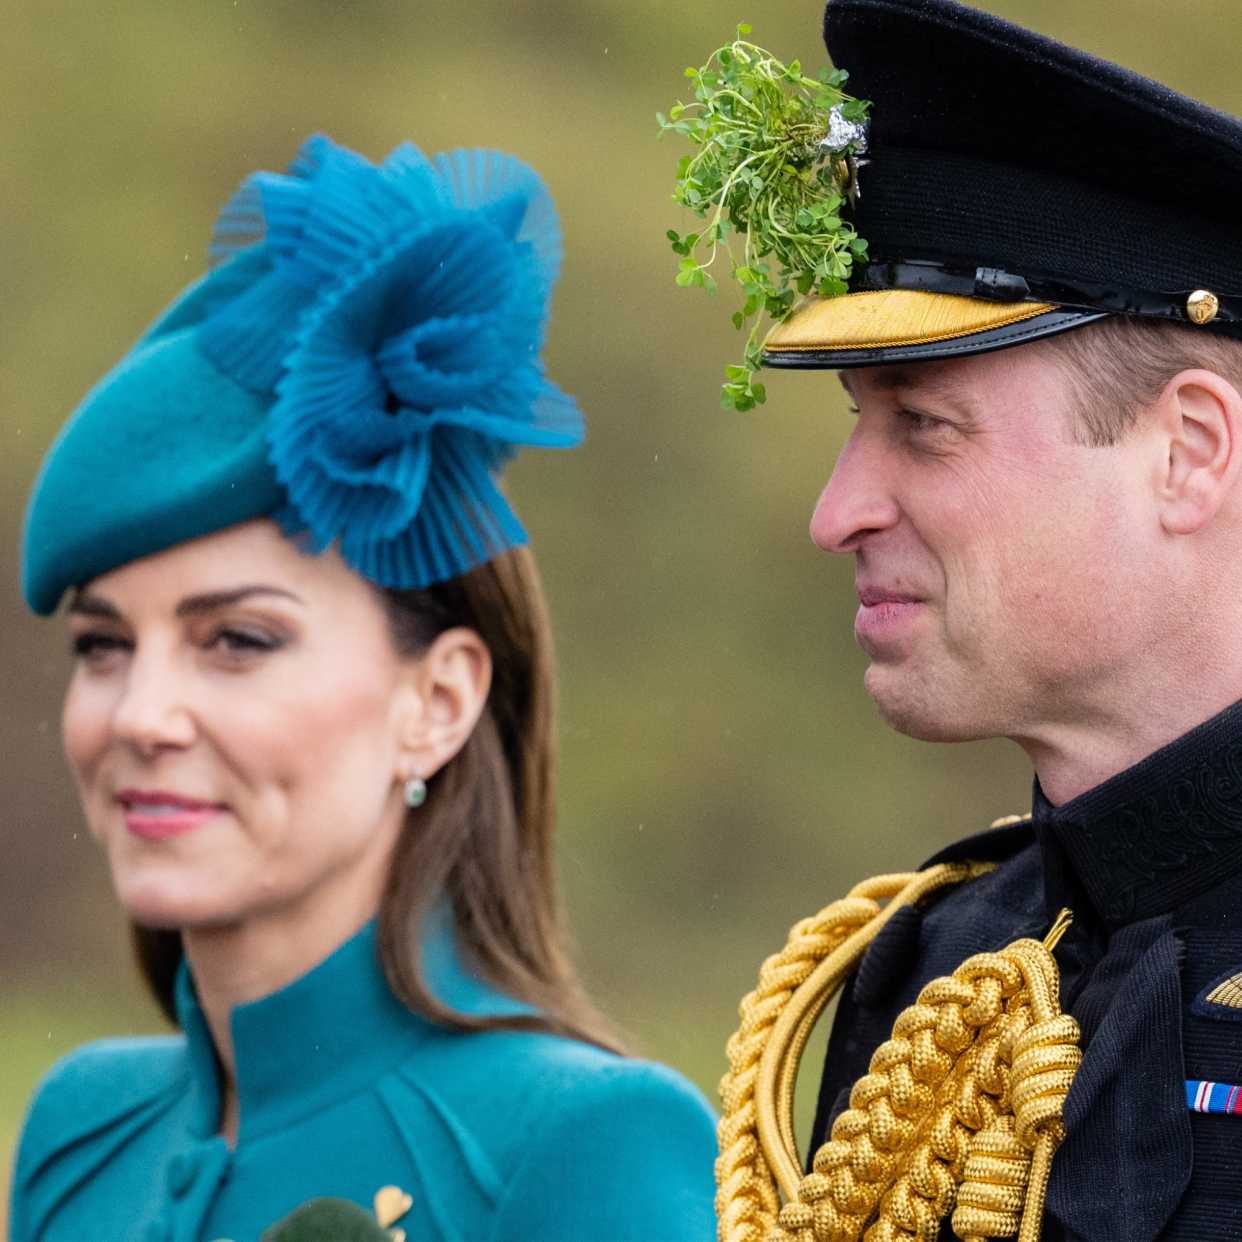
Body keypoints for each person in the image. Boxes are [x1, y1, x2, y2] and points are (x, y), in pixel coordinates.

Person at [8, 134, 718, 1242]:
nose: (140, 716)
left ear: (436, 703)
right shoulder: (81, 1132)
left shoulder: (579, 1147)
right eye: (104, 647)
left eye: (237, 640)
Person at [714, 1, 1242, 1239]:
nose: (838, 511)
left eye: (925, 426)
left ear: (1188, 452)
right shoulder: (940, 955)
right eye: (858, 424)